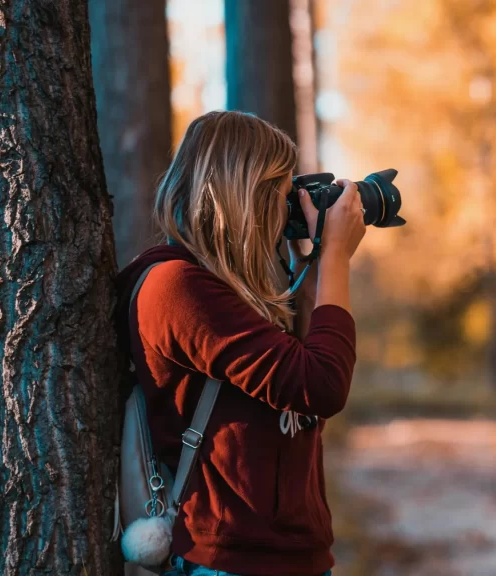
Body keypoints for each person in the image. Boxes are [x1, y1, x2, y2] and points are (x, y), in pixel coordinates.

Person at [114, 110, 365, 576]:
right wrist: (335, 259)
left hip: (285, 557)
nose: (286, 207)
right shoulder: (178, 287)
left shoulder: (230, 291)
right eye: (280, 192)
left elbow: (303, 387)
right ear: (245, 194)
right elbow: (322, 384)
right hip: (229, 560)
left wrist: (306, 257)